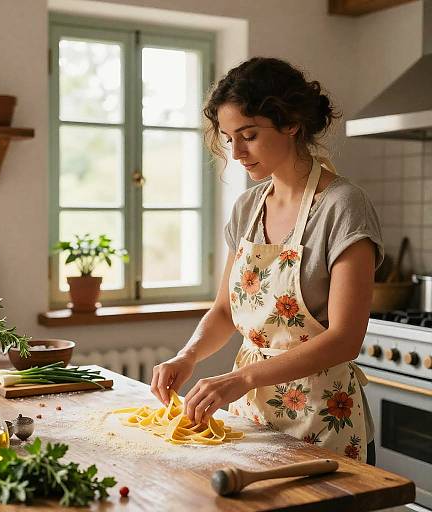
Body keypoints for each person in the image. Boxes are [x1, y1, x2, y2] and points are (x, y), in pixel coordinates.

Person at [150, 57, 383, 465]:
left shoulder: (343, 206)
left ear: (291, 123)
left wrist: (239, 379)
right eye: (228, 138)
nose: (237, 152)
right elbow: (224, 311)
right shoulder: (247, 208)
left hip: (324, 420)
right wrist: (186, 356)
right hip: (251, 418)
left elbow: (346, 337)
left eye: (249, 135)